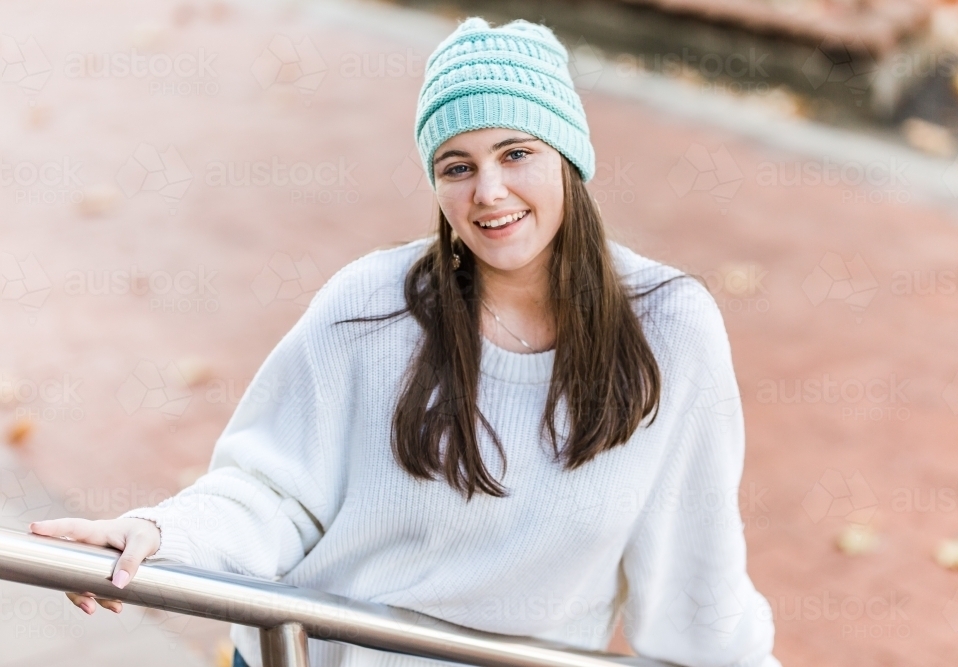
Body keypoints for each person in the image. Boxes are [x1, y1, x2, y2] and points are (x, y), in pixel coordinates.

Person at [29, 16, 780, 667]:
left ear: (569, 159)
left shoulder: (670, 328)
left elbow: (698, 569)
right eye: (458, 167)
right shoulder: (373, 305)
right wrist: (158, 533)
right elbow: (271, 491)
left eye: (516, 153)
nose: (488, 191)